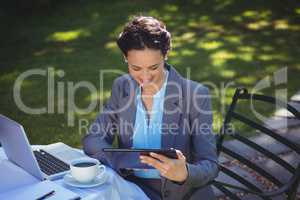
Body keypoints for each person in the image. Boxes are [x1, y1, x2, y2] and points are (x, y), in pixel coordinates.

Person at [82, 16, 219, 200]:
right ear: (125, 58)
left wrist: (185, 172)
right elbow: (93, 139)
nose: (145, 78)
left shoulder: (195, 95)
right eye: (136, 68)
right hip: (131, 189)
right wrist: (124, 160)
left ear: (165, 54)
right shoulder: (122, 86)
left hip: (181, 194)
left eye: (153, 67)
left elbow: (210, 165)